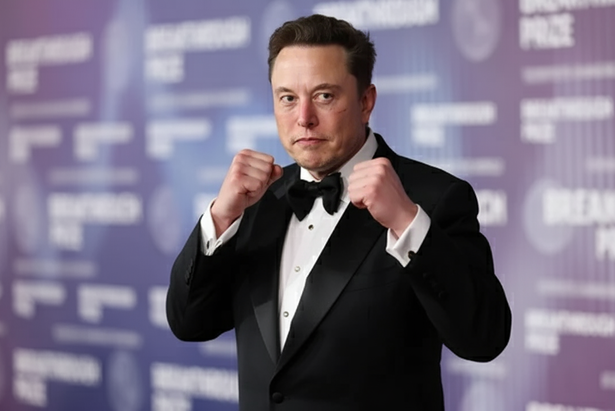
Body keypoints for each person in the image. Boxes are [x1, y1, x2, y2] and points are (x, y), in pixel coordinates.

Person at [167, 14, 511, 411]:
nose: (304, 118)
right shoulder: (256, 201)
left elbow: (484, 339)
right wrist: (221, 218)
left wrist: (407, 224)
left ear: (366, 102)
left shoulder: (433, 198)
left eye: (324, 96)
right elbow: (189, 322)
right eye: (288, 98)